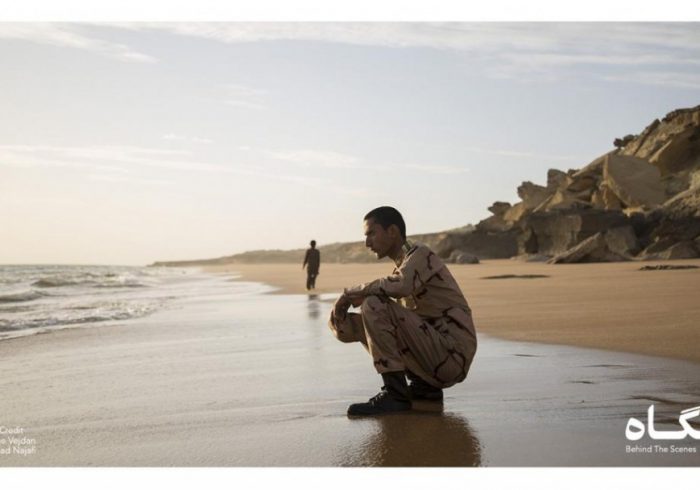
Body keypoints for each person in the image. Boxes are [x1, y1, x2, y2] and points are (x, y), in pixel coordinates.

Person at [328, 206, 477, 416]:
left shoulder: (420, 254)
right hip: (435, 359)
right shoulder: (403, 266)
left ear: (392, 232)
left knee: (373, 304)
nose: (367, 242)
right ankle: (425, 388)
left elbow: (401, 286)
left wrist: (350, 293)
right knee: (347, 321)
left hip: (452, 357)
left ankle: (395, 395)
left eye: (371, 233)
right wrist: (339, 318)